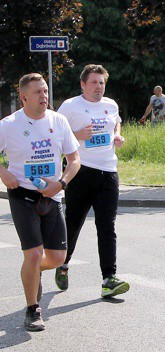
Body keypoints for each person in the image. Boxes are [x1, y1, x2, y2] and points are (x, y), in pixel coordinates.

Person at [0, 73, 80, 331]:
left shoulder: (59, 121)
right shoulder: (9, 124)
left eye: (45, 91)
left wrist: (62, 183)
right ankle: (33, 309)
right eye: (37, 92)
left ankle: (32, 272)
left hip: (53, 195)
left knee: (57, 258)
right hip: (22, 195)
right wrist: (4, 173)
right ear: (23, 97)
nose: (44, 96)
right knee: (33, 253)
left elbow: (74, 158)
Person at [55, 64, 130, 298]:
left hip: (109, 171)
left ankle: (109, 278)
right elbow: (54, 132)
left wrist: (117, 134)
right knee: (73, 223)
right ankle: (63, 263)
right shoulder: (70, 106)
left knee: (107, 226)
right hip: (81, 172)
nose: (99, 87)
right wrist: (76, 135)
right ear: (83, 84)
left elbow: (115, 121)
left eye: (102, 83)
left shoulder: (110, 105)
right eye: (94, 83)